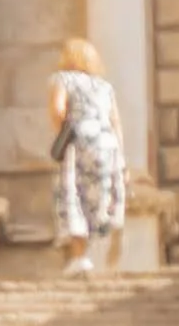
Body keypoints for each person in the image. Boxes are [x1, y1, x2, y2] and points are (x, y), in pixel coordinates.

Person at [50, 33, 129, 277]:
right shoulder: (104, 86)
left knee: (73, 195)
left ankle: (79, 257)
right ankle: (113, 226)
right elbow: (116, 122)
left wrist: (61, 133)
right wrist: (122, 159)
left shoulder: (63, 79)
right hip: (107, 144)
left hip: (79, 141)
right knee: (98, 194)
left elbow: (58, 109)